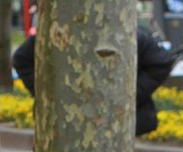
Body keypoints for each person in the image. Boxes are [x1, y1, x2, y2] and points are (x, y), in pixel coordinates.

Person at [11, 28, 174, 137]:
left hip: (113, 122)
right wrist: (48, 93)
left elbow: (161, 63)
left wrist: (128, 94)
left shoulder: (128, 33)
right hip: (63, 122)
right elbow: (22, 59)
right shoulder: (55, 32)